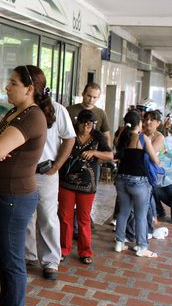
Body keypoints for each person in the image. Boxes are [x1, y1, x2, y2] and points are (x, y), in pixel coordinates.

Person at [0, 65, 54, 306]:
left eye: (13, 83)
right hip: (2, 193)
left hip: (13, 196)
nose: (7, 87)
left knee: (11, 261)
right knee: (4, 257)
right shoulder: (15, 112)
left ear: (30, 89)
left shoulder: (33, 116)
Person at [24, 96, 75, 281]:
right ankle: (28, 254)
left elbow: (70, 138)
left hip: (46, 172)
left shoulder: (57, 109)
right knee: (26, 215)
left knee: (48, 216)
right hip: (24, 171)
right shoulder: (21, 108)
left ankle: (50, 261)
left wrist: (56, 166)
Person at [58, 110, 113, 265]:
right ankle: (64, 249)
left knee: (84, 219)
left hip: (87, 185)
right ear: (78, 123)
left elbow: (110, 155)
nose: (87, 127)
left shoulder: (97, 137)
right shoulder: (70, 134)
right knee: (65, 217)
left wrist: (94, 152)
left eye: (90, 124)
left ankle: (85, 251)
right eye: (83, 123)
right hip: (66, 182)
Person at [113, 110, 161, 258]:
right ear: (139, 123)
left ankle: (119, 243)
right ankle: (142, 246)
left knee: (123, 212)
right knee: (140, 215)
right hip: (139, 182)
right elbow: (155, 160)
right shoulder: (143, 138)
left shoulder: (121, 138)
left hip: (121, 179)